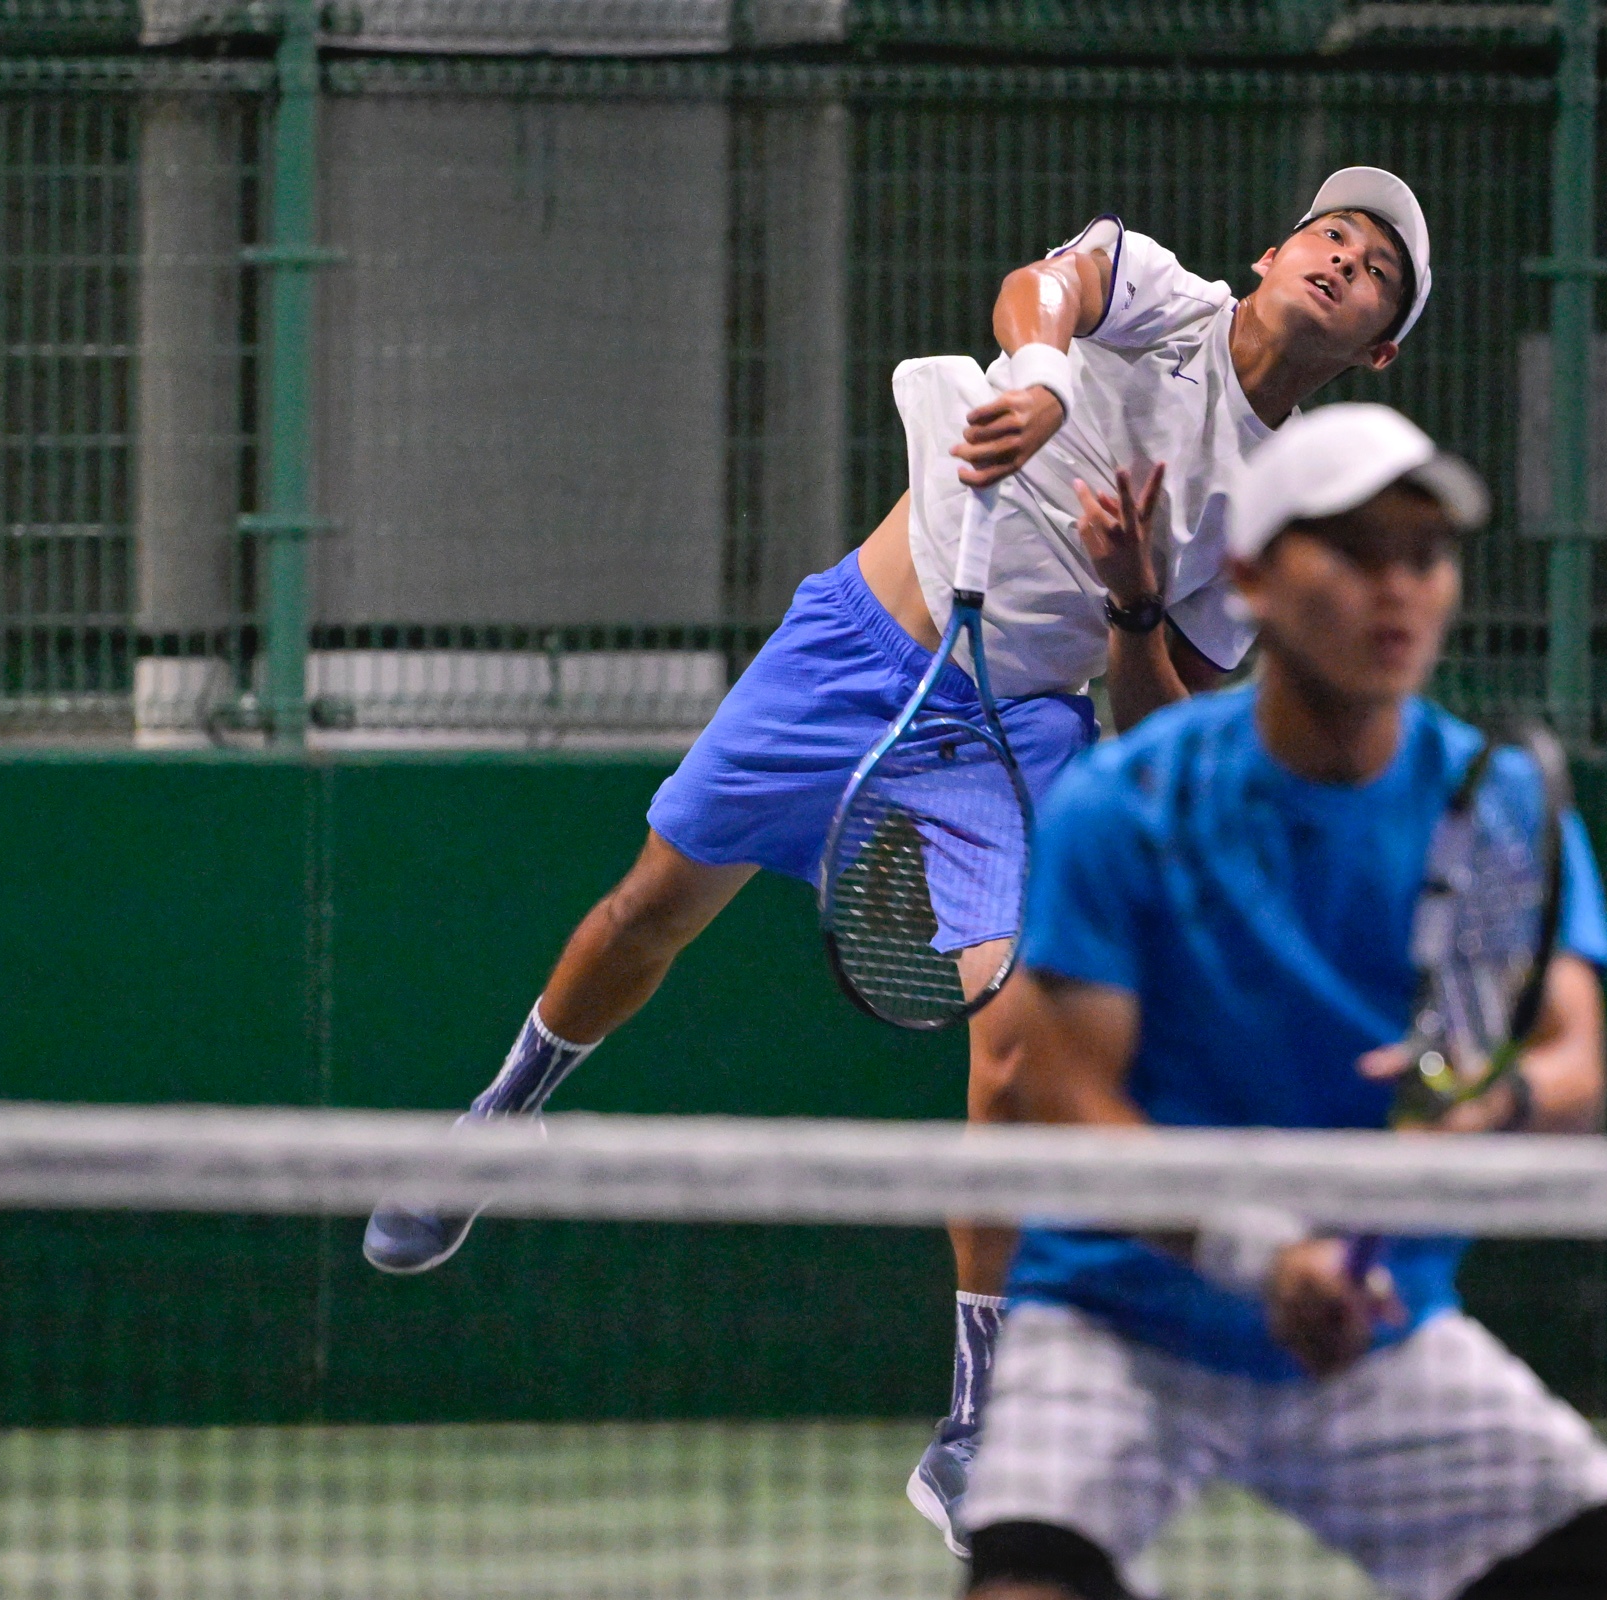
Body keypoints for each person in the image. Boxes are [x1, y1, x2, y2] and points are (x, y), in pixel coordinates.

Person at [358, 169, 1441, 1555]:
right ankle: (499, 1118)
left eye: (1376, 273)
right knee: (646, 912)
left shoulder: (1272, 520)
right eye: (1330, 236)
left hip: (1007, 728)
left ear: (1377, 348)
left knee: (1017, 1045)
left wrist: (1128, 604)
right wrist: (1041, 374)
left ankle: (975, 1418)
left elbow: (1155, 714)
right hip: (851, 649)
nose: (1343, 261)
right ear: (1271, 250)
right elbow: (1043, 289)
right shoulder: (1164, 297)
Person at [960, 405, 1607, 1600]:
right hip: (1124, 1316)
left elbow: (1573, 1073)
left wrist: (1484, 1106)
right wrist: (1262, 1253)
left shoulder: (1496, 803)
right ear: (1253, 579)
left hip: (1376, 1327)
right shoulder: (1126, 803)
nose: (1397, 587)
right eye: (1355, 551)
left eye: (1425, 555)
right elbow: (1066, 1106)